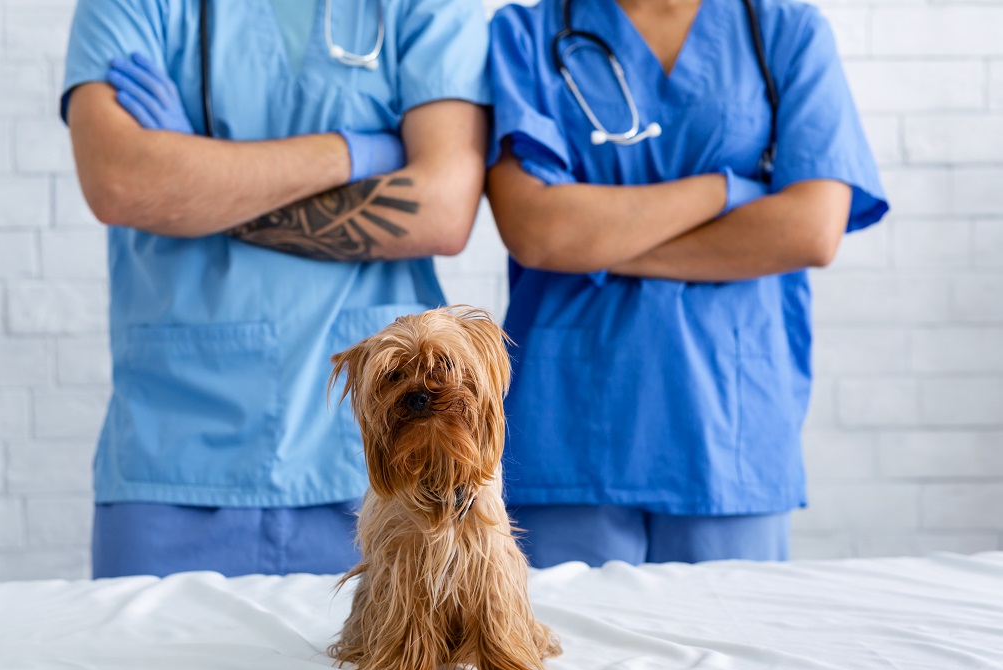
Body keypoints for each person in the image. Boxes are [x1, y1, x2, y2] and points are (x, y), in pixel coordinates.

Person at [61, 0, 490, 577]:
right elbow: (120, 181)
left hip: (381, 462)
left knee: (389, 664)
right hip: (173, 454)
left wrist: (201, 188)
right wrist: (357, 151)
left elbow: (440, 208)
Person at [486, 0, 888, 567]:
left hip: (729, 435)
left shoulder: (785, 32)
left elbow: (812, 231)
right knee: (562, 652)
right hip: (569, 432)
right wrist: (726, 191)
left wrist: (598, 243)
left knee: (736, 648)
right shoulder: (526, 34)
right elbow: (539, 232)